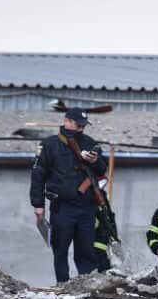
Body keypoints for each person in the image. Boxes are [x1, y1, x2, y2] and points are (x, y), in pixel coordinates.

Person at [29, 108, 107, 283]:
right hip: (62, 207)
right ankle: (62, 286)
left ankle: (86, 287)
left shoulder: (90, 143)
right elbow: (38, 175)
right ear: (67, 121)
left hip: (87, 207)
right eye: (78, 125)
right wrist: (38, 205)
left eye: (83, 126)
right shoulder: (50, 145)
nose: (81, 129)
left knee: (86, 252)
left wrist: (96, 161)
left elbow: (103, 170)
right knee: (60, 250)